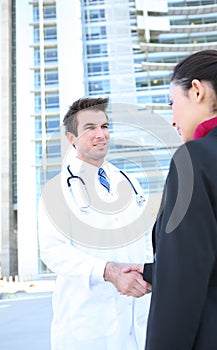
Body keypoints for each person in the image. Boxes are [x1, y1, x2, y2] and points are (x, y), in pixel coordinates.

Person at [129, 49, 217, 349]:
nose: (172, 118)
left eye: (172, 102)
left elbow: (182, 285)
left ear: (197, 91)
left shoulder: (197, 159)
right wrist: (155, 272)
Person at [38, 97, 153, 350]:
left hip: (138, 316)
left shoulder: (129, 182)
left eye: (105, 126)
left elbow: (145, 240)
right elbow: (53, 251)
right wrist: (108, 271)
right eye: (90, 128)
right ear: (72, 138)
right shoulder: (56, 190)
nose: (101, 134)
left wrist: (147, 274)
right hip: (89, 325)